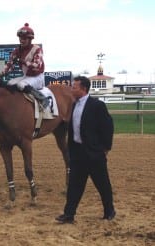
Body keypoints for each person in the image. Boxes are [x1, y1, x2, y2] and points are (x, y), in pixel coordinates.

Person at [56, 76, 115, 224]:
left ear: (83, 89)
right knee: (74, 185)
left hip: (94, 154)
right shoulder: (74, 105)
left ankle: (109, 211)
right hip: (77, 153)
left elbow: (108, 127)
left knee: (103, 185)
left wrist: (105, 148)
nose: (71, 89)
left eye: (74, 87)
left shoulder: (97, 105)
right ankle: (69, 214)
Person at [0, 23, 49, 108]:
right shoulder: (17, 51)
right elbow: (9, 65)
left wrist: (22, 61)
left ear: (30, 39)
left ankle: (43, 98)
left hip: (38, 77)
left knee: (21, 84)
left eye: (24, 38)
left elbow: (36, 66)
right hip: (26, 77)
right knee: (9, 83)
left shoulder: (37, 49)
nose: (21, 40)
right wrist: (2, 73)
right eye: (20, 38)